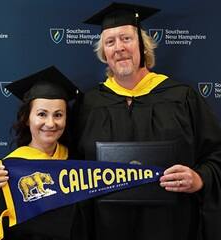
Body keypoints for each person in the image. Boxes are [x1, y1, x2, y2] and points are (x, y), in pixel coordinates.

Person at [74, 2, 221, 240]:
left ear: (143, 45)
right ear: (104, 54)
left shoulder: (181, 97)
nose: (119, 47)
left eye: (126, 38)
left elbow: (216, 153)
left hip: (171, 226)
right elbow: (65, 163)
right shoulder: (89, 104)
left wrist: (200, 178)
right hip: (106, 227)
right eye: (110, 42)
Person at [0, 66, 82, 240]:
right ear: (27, 118)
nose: (50, 123)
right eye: (42, 114)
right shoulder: (7, 171)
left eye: (58, 115)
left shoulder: (78, 167)